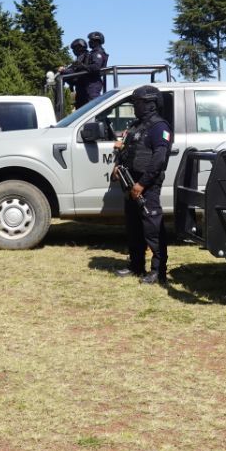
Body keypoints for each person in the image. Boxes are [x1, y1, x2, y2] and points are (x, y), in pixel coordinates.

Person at [112, 85, 172, 285]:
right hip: (130, 184)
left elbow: (159, 159)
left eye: (137, 103)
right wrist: (117, 166)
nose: (135, 107)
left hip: (147, 186)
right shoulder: (136, 126)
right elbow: (125, 150)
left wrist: (142, 184)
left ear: (150, 104)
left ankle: (158, 271)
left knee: (152, 229)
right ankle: (136, 265)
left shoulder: (159, 127)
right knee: (134, 227)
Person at [57, 38, 92, 109]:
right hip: (81, 89)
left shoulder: (85, 56)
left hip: (85, 89)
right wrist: (65, 70)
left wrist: (63, 71)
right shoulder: (81, 57)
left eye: (74, 49)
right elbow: (72, 68)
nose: (73, 51)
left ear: (79, 48)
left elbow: (75, 70)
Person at [85, 31, 108, 103]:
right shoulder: (93, 52)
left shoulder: (98, 52)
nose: (89, 42)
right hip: (91, 82)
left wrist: (83, 67)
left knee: (94, 104)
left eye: (90, 40)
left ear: (96, 41)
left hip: (94, 83)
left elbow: (96, 66)